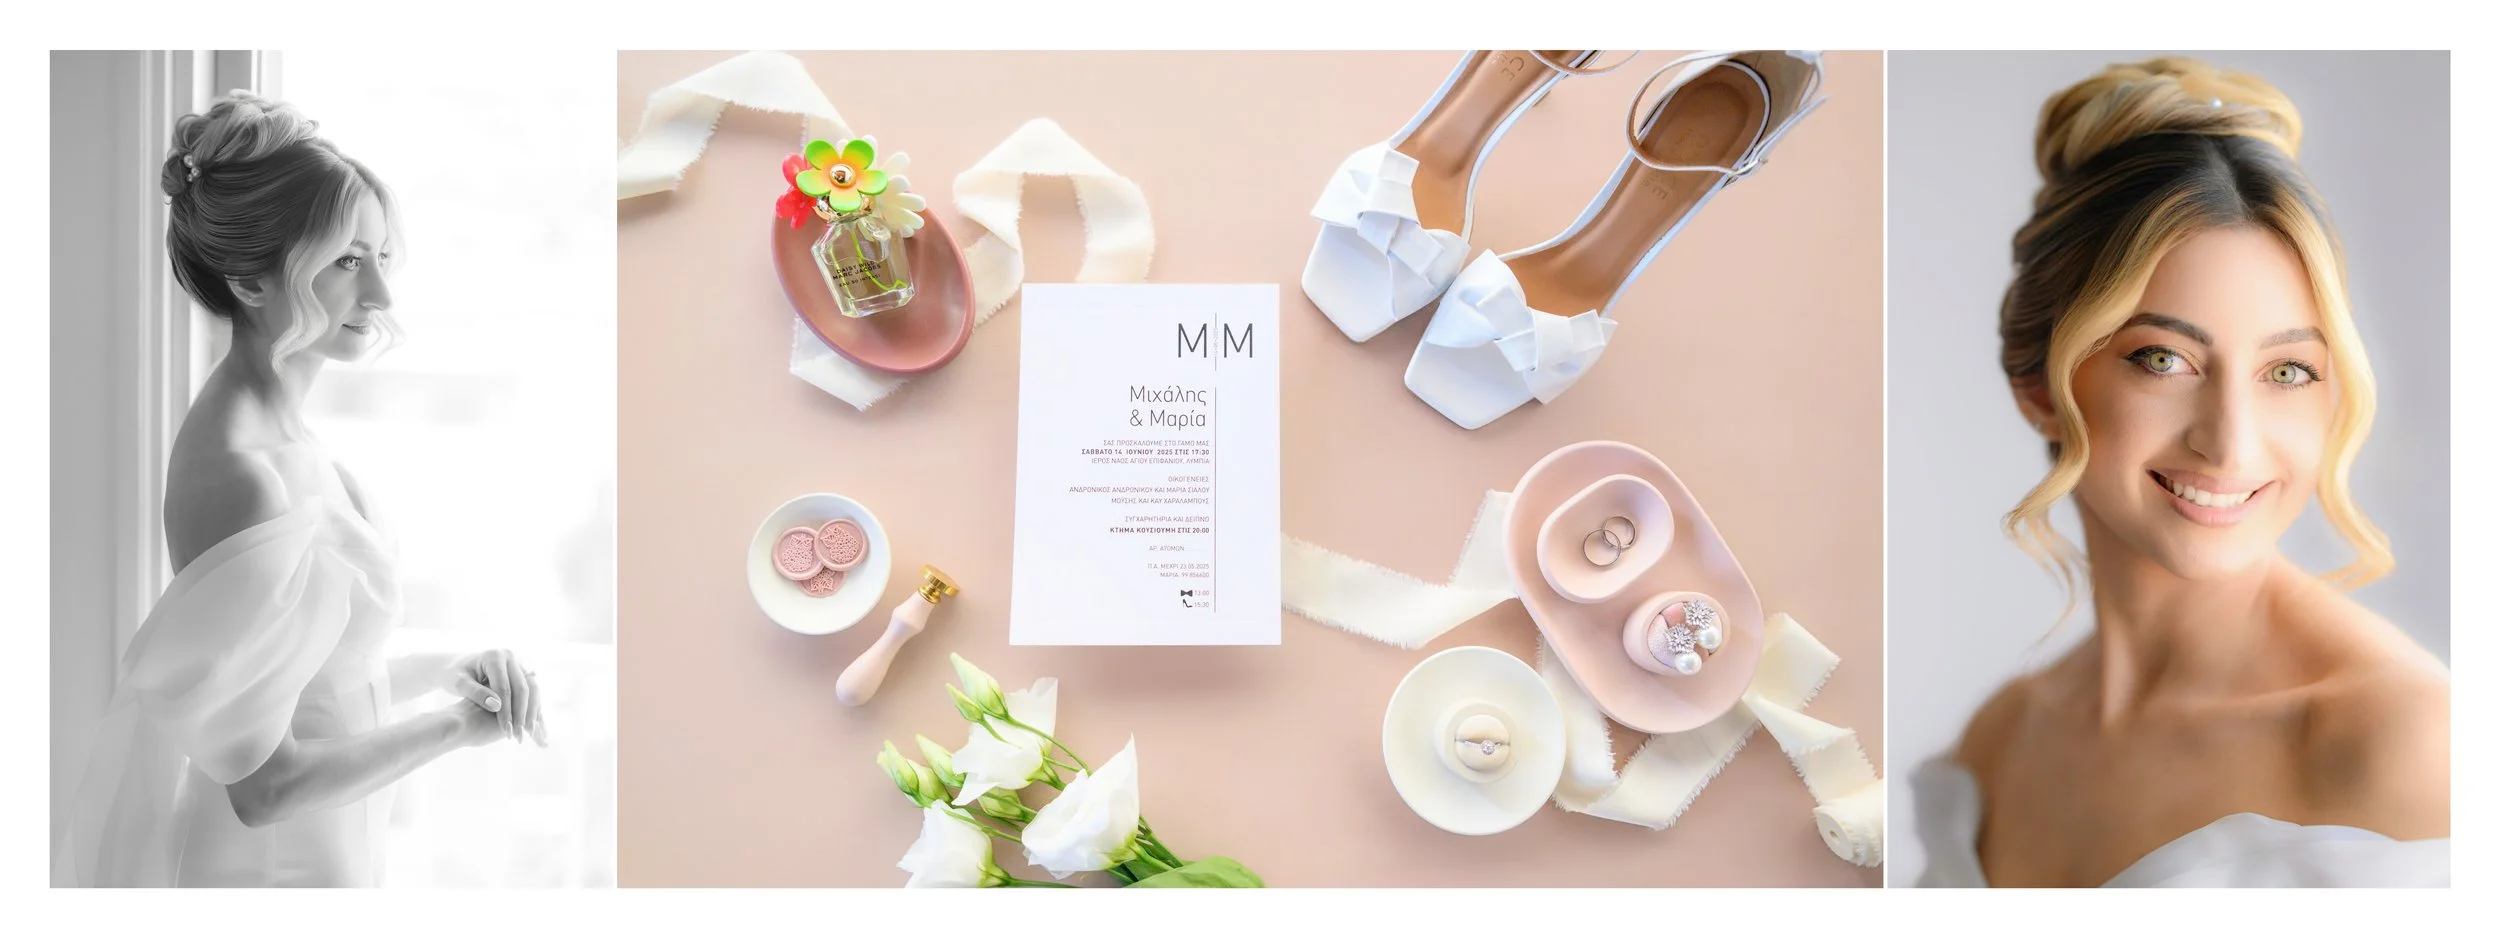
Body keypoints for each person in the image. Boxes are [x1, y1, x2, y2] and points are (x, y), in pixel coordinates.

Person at [1911, 58, 2449, 888]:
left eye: (2290, 370)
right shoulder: (2000, 743)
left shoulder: (2404, 743)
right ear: (2039, 391)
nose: (2231, 444)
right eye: (2164, 359)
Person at [55, 91, 548, 887]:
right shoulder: (238, 473)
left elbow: (316, 684)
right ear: (252, 284)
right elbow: (265, 786)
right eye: (347, 262)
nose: (381, 296)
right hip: (268, 873)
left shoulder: (287, 439)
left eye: (381, 257)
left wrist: (452, 669)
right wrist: (458, 728)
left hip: (330, 851)